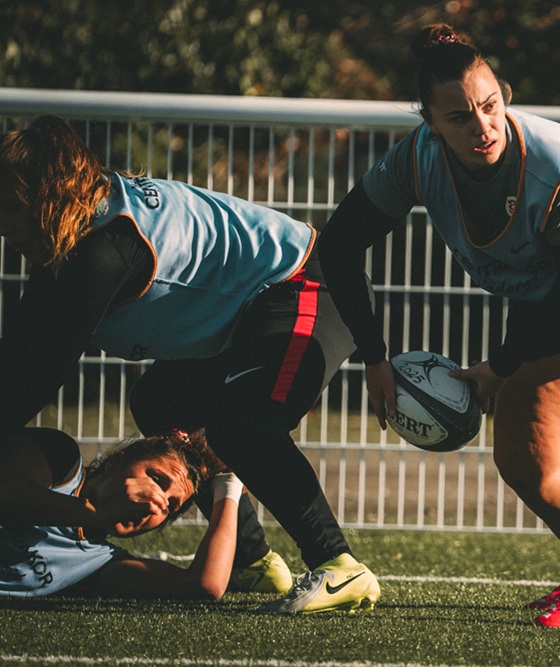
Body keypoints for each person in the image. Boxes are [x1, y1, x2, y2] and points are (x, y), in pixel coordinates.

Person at [319, 24, 560, 629]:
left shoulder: (557, 166)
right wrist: (374, 356)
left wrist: (496, 368)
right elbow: (340, 247)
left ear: (502, 93)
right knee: (523, 454)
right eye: (458, 118)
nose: (483, 128)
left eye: (490, 105)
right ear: (429, 123)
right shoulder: (415, 162)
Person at [0, 115, 380, 614]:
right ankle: (251, 559)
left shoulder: (102, 251)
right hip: (250, 314)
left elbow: (37, 372)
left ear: (50, 196)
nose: (2, 225)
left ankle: (339, 563)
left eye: (10, 207)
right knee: (161, 401)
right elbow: (21, 352)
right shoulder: (81, 228)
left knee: (242, 425)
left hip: (308, 282)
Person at [0, 427, 242, 599]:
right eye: (156, 479)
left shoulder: (96, 563)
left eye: (169, 507)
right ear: (117, 462)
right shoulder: (59, 459)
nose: (156, 504)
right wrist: (98, 513)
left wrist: (228, 491)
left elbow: (204, 585)